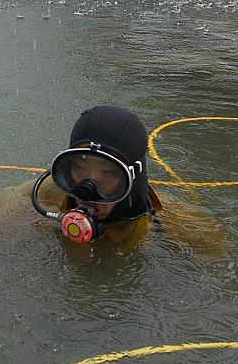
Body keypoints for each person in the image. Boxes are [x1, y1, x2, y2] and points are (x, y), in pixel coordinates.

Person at [27, 105, 227, 253]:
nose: (87, 188)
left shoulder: (178, 228)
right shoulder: (46, 196)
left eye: (108, 173)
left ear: (133, 177)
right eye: (79, 167)